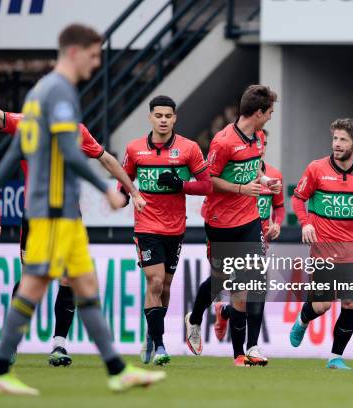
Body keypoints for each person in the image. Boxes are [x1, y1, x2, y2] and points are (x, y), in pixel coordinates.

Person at [0, 24, 165, 395]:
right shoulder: (61, 92)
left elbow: (18, 148)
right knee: (35, 288)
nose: (96, 62)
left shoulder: (40, 93)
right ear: (74, 52)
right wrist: (106, 190)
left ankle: (117, 370)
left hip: (57, 213)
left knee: (83, 286)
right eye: (93, 54)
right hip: (53, 211)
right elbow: (69, 151)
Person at [0, 77, 145, 367]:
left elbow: (107, 160)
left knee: (69, 278)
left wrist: (132, 190)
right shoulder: (27, 126)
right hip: (36, 216)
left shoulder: (77, 132)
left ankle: (59, 345)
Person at [184, 85, 281, 366]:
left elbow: (257, 167)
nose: (271, 117)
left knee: (252, 283)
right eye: (270, 112)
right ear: (259, 112)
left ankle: (246, 351)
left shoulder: (260, 137)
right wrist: (241, 188)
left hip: (250, 219)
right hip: (219, 221)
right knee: (223, 280)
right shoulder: (223, 142)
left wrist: (264, 182)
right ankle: (195, 317)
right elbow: (209, 180)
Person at [290, 118, 353, 369]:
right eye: (335, 138)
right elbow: (298, 198)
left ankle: (335, 357)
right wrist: (306, 223)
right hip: (323, 247)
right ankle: (303, 319)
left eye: (343, 139)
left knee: (350, 303)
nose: (336, 144)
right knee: (322, 305)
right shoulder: (316, 169)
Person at [121, 95, 211, 365]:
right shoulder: (135, 149)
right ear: (150, 117)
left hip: (175, 226)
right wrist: (125, 196)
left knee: (167, 285)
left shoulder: (189, 149)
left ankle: (152, 333)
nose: (163, 120)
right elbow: (124, 179)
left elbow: (207, 185)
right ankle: (160, 345)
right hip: (146, 224)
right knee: (156, 281)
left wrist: (180, 184)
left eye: (167, 116)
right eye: (158, 115)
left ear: (175, 118)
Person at [213, 129, 285, 355]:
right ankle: (239, 354)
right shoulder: (235, 174)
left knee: (256, 292)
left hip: (260, 241)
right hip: (237, 237)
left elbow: (280, 206)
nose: (259, 147)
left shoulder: (274, 175)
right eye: (256, 142)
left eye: (262, 142)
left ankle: (251, 346)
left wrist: (277, 223)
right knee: (241, 295)